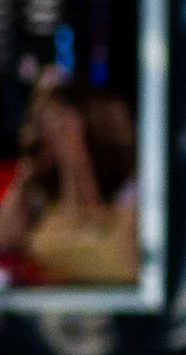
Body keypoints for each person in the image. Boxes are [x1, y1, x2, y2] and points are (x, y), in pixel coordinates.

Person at [0, 70, 139, 289]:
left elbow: (89, 233)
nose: (33, 133)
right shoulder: (42, 197)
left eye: (47, 126)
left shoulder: (129, 198)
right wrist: (26, 171)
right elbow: (5, 239)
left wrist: (74, 156)